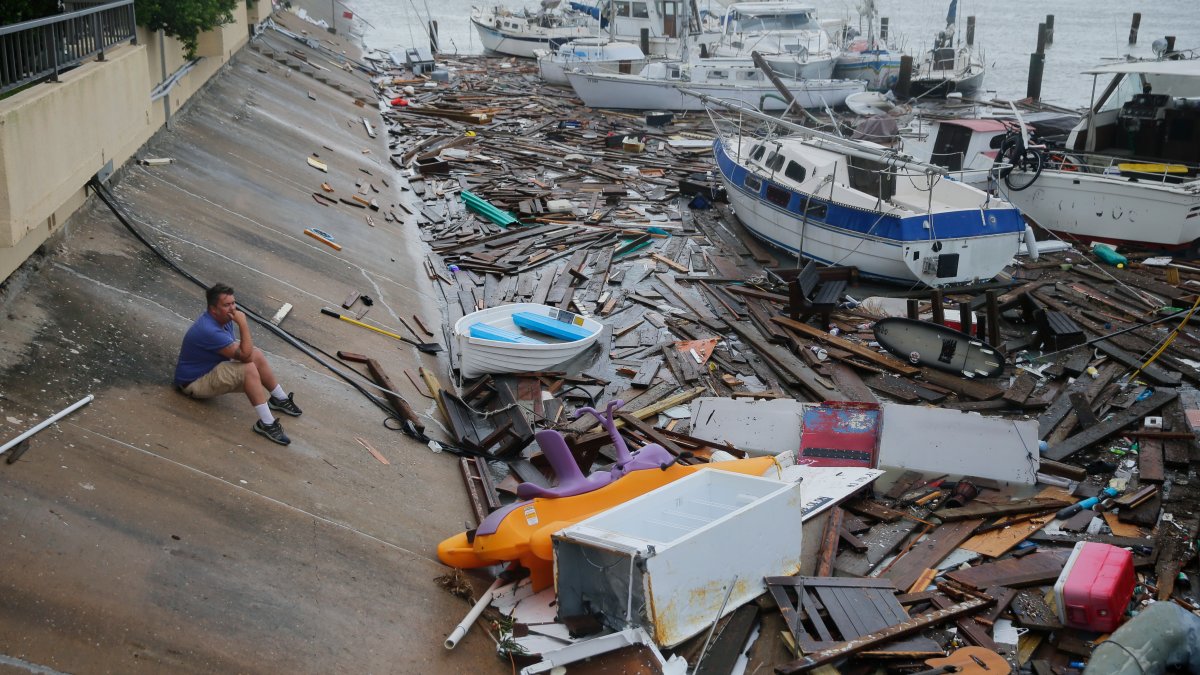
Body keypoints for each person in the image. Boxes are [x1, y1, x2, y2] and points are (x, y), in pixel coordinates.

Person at [174, 283, 302, 445]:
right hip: (193, 383)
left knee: (257, 354)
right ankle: (267, 424)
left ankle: (279, 398)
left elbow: (245, 352)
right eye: (227, 305)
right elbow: (245, 356)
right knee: (248, 368)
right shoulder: (209, 330)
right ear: (213, 309)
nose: (233, 308)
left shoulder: (222, 318)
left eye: (233, 303)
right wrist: (243, 324)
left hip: (210, 368)